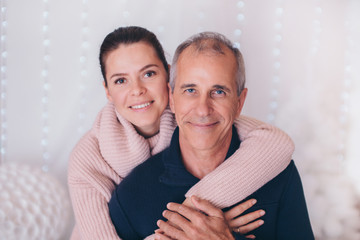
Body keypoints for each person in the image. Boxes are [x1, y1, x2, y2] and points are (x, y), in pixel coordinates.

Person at [68, 26, 295, 240]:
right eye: (120, 80)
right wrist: (192, 227)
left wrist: (198, 218)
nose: (137, 90)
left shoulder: (192, 117)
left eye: (148, 74)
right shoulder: (87, 160)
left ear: (168, 77)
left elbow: (275, 143)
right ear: (107, 91)